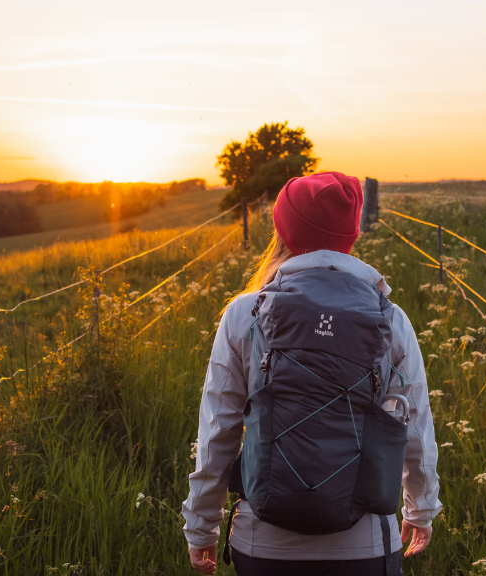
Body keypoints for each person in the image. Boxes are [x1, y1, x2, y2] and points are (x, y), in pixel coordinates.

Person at [181, 171, 441, 576]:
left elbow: (218, 433)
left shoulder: (243, 314)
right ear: (351, 234)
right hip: (366, 546)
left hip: (261, 544)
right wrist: (421, 508)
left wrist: (201, 526)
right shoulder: (390, 318)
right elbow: (414, 427)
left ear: (282, 229)